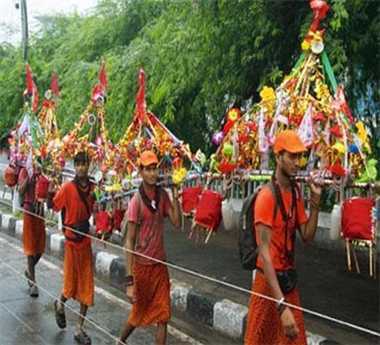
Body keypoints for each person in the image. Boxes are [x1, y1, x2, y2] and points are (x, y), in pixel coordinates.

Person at [244, 130, 322, 345]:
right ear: (278, 157)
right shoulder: (266, 196)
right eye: (292, 156)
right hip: (267, 286)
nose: (298, 162)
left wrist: (315, 205)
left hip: (287, 283)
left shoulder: (295, 193)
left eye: (300, 156)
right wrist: (280, 305)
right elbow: (265, 254)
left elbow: (306, 235)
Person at [117, 150, 181, 345]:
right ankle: (120, 341)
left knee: (163, 316)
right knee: (138, 314)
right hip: (142, 267)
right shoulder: (136, 202)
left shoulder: (162, 196)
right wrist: (130, 281)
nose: (153, 173)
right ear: (141, 172)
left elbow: (177, 223)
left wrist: (176, 195)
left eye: (155, 169)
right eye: (148, 169)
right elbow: (129, 241)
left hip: (159, 266)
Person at [48, 151, 95, 345]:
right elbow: (54, 206)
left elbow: (96, 209)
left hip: (85, 242)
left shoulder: (93, 188)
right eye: (79, 164)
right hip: (71, 243)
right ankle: (60, 303)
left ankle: (79, 329)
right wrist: (50, 190)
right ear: (75, 166)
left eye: (85, 164)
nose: (82, 167)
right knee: (70, 283)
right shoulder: (67, 188)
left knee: (87, 286)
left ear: (89, 165)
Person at [18, 162, 46, 297]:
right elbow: (20, 191)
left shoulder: (42, 172)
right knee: (30, 248)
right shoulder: (24, 171)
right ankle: (33, 283)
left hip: (40, 212)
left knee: (40, 248)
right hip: (29, 211)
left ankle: (29, 271)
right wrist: (29, 177)